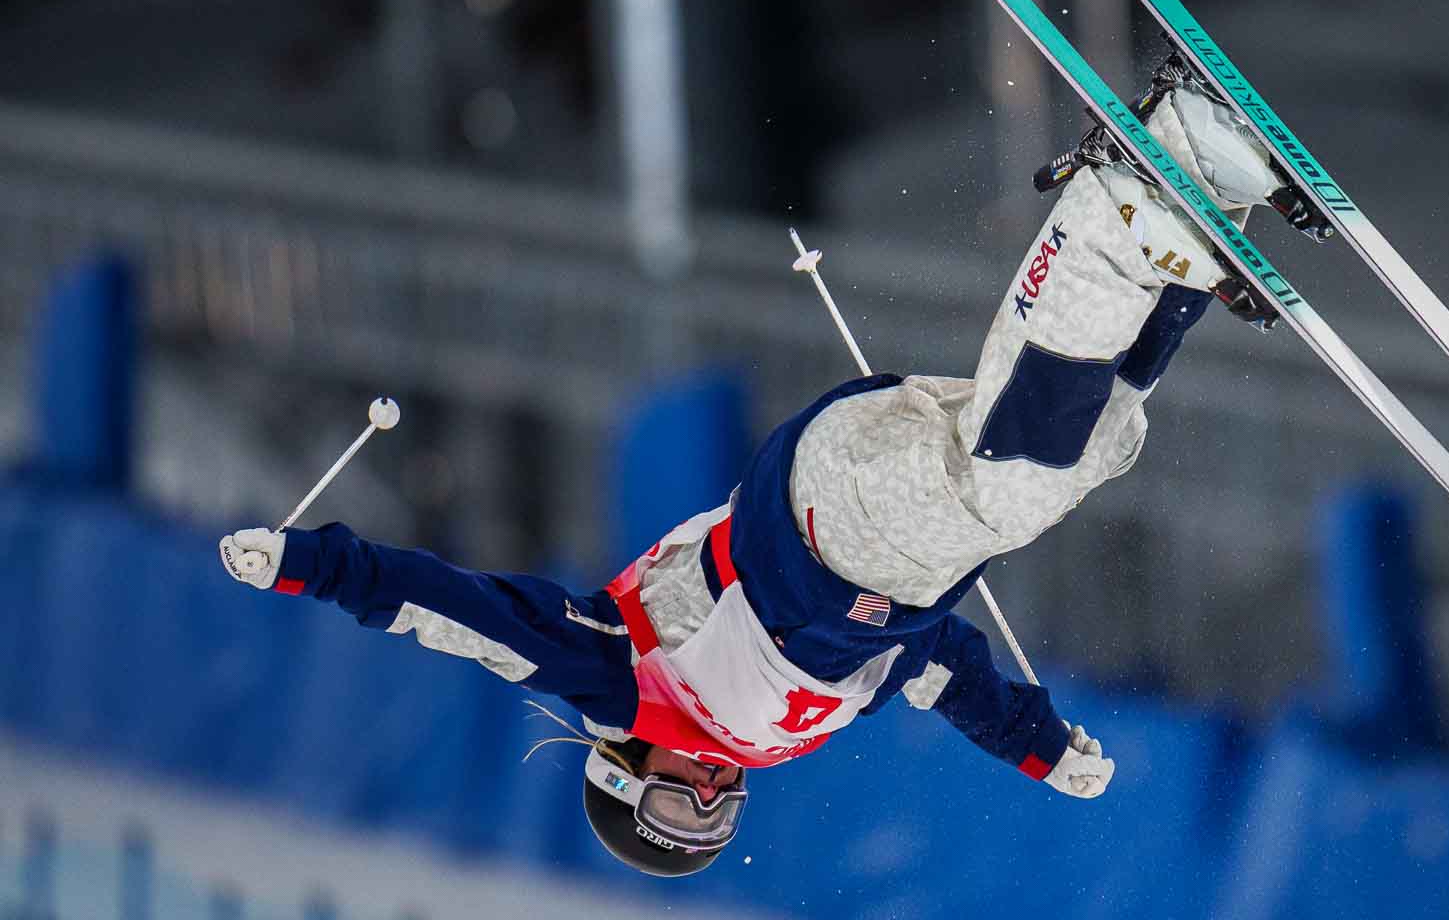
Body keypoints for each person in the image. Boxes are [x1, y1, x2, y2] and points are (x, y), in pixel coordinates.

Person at [218, 61, 1287, 877]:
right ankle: (1187, 215)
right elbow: (937, 667)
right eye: (712, 824)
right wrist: (1038, 746)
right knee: (1094, 446)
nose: (713, 797)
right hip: (881, 544)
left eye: (677, 808)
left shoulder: (621, 682)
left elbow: (448, 612)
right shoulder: (790, 732)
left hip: (826, 521)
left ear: (622, 770)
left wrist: (309, 565)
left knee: (1011, 480)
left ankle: (1115, 200)